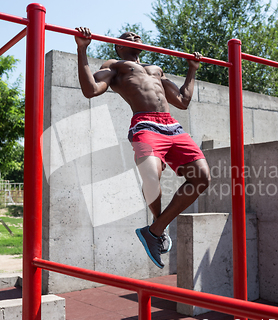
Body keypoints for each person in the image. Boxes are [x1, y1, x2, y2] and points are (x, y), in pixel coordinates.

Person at [74, 27, 211, 269]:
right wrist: (82, 49)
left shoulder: (157, 69)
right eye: (127, 37)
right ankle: (159, 226)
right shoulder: (114, 65)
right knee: (151, 175)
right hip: (145, 124)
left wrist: (192, 69)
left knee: (201, 177)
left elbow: (182, 101)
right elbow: (91, 90)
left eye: (137, 35)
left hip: (172, 127)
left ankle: (155, 230)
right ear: (117, 46)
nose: (135, 37)